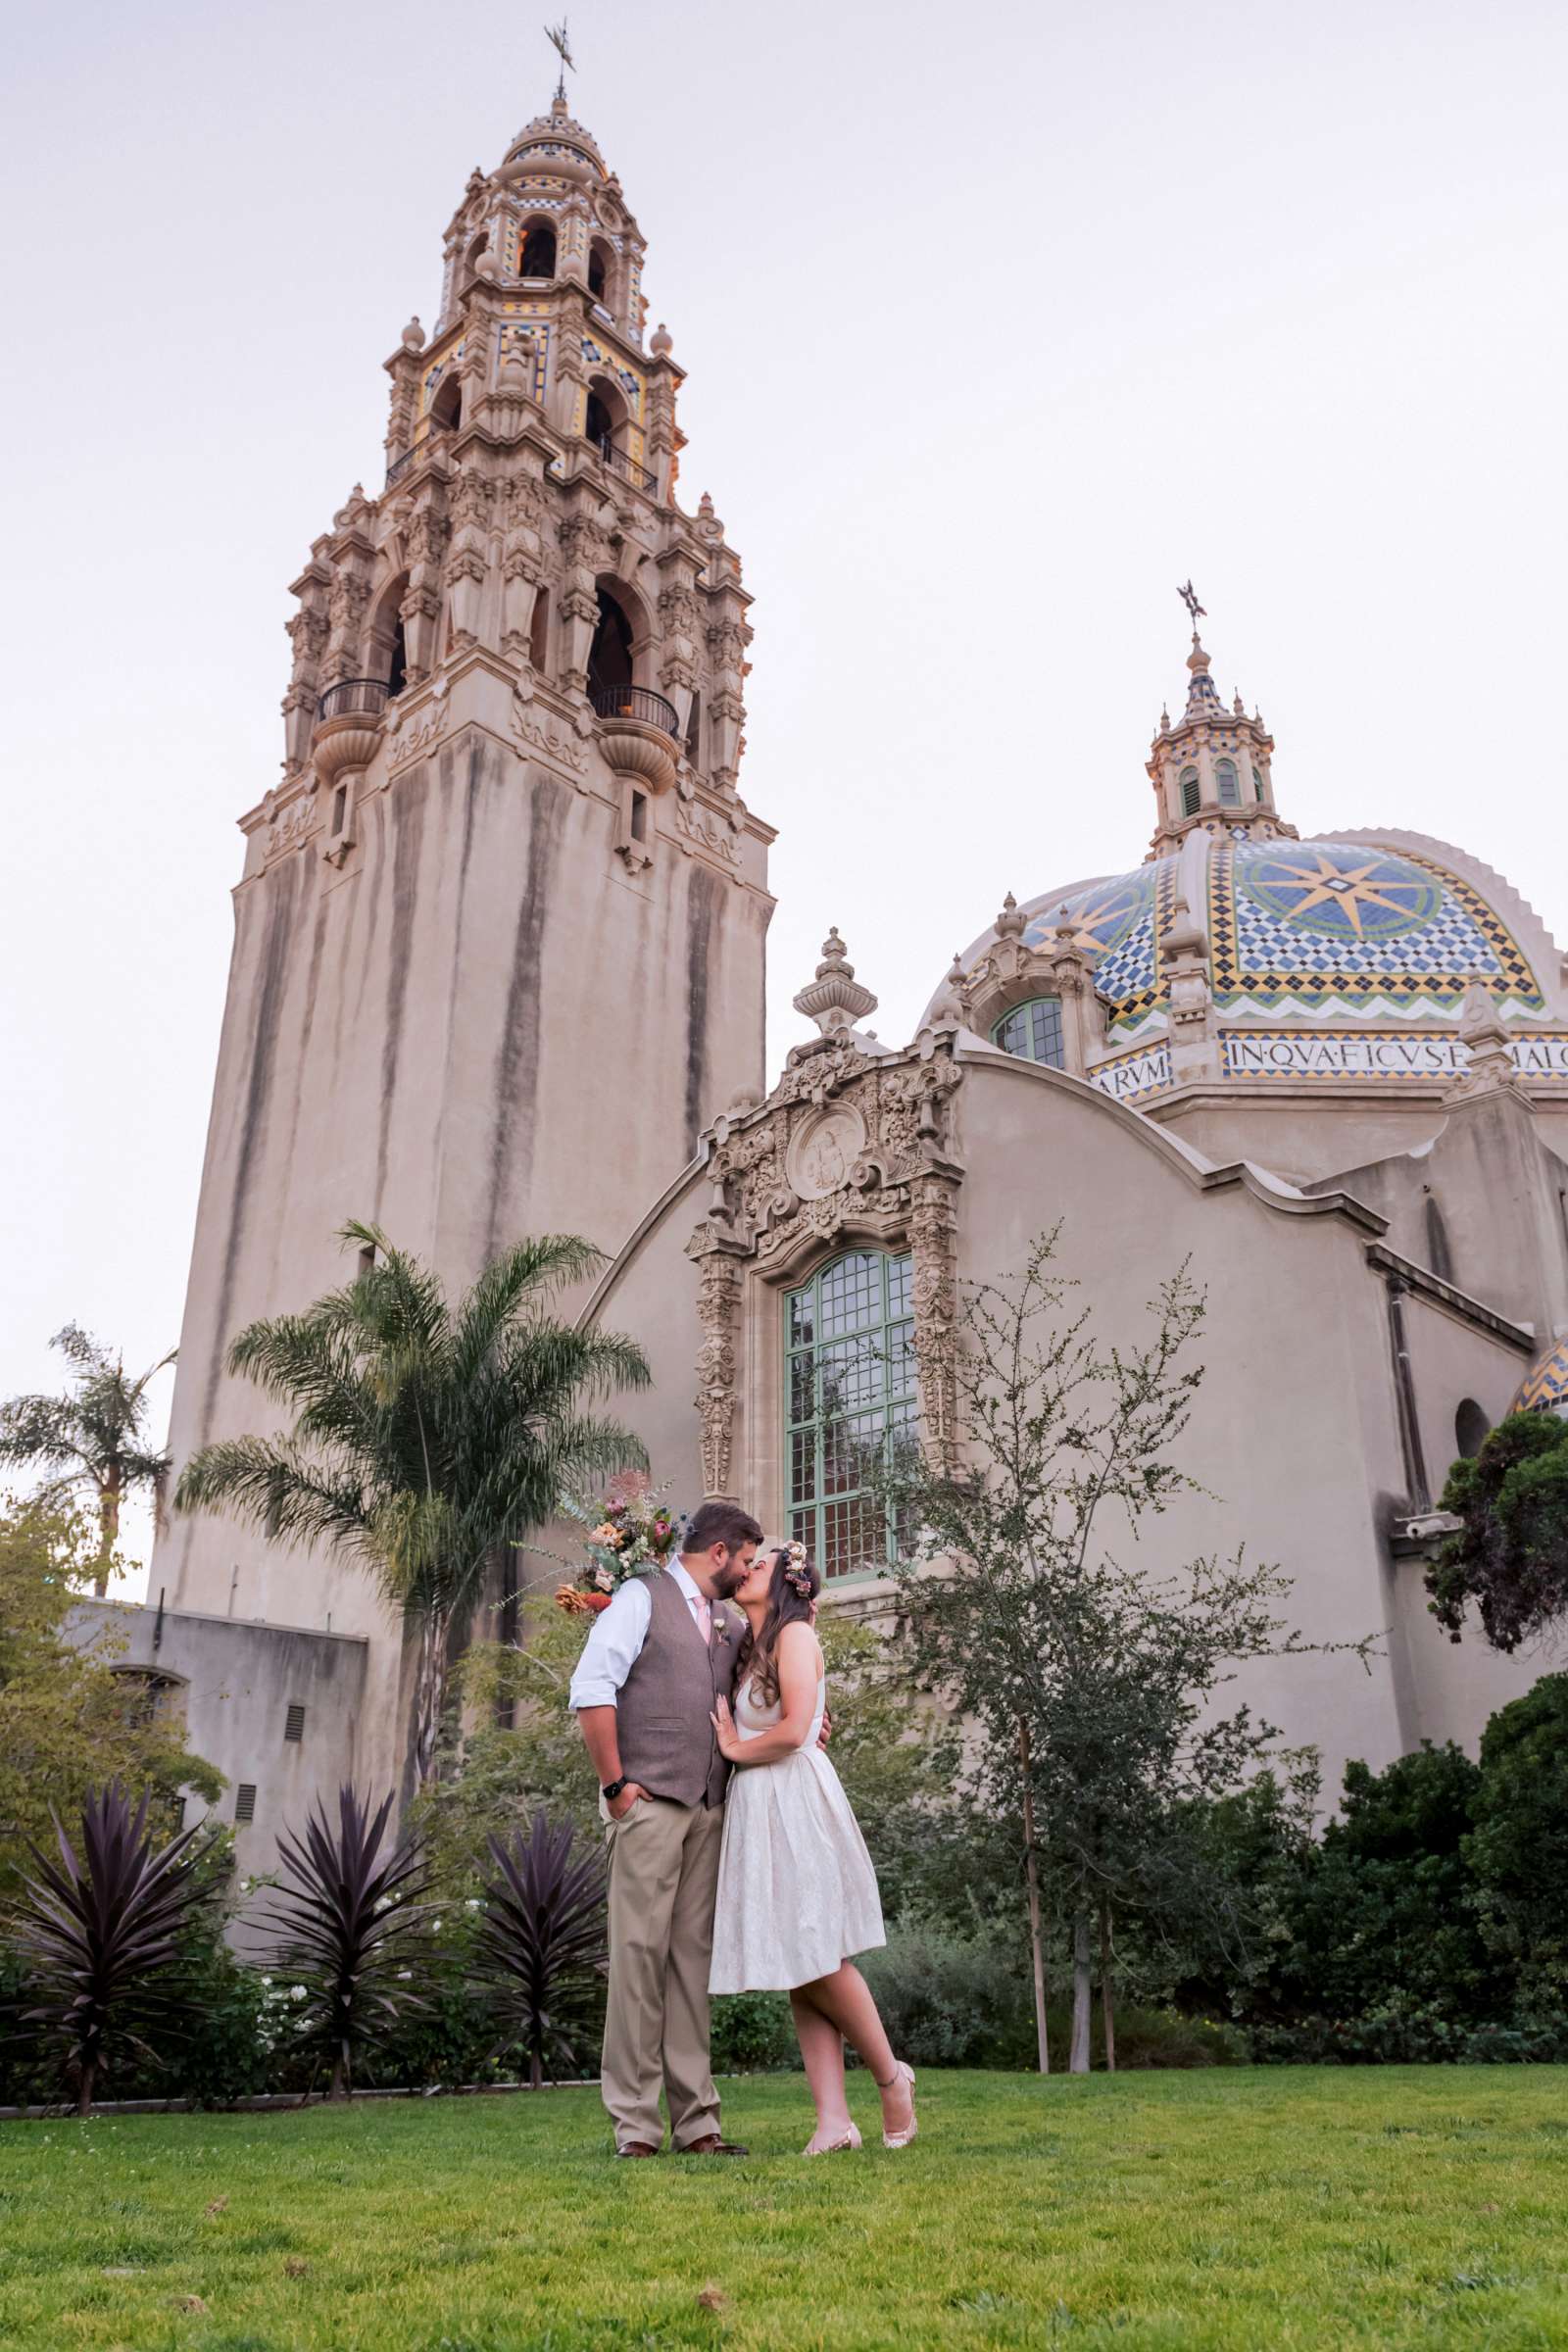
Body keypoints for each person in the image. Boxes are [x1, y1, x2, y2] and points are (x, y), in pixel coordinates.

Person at [708, 1543, 918, 2155]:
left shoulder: (795, 1634)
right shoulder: (751, 1643)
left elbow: (797, 1728)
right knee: (801, 1965)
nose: (748, 1570)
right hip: (761, 1806)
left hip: (794, 1800)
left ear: (782, 1587)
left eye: (761, 1566)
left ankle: (891, 2077)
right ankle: (833, 2121)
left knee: (820, 1955)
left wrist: (733, 1748)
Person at [568, 1498, 763, 2158]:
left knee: (689, 1967)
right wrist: (617, 1788)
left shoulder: (733, 1626)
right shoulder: (640, 1598)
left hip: (709, 1810)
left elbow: (759, 1701)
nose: (748, 1571)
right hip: (648, 1807)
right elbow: (592, 1689)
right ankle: (635, 2128)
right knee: (638, 1961)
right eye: (745, 1560)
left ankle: (698, 2126)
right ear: (718, 1554)